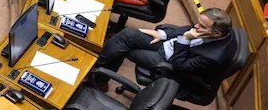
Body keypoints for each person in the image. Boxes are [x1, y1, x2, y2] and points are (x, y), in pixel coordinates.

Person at [91, 8, 237, 95]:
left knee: (123, 48)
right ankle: (97, 71)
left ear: (217, 34)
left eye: (202, 26)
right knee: (127, 34)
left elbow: (180, 66)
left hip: (170, 61)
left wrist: (185, 39)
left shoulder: (214, 57)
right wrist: (163, 35)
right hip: (169, 44)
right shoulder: (210, 29)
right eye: (198, 22)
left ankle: (97, 77)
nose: (196, 26)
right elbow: (187, 28)